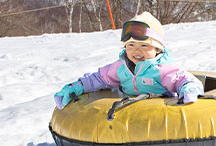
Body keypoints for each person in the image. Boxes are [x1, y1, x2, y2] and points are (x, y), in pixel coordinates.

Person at [53, 11, 203, 109]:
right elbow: (99, 79)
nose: (136, 51)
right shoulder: (121, 67)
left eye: (144, 45)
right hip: (129, 115)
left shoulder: (162, 69)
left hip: (160, 115)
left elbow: (183, 79)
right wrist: (76, 87)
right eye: (131, 45)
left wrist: (189, 89)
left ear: (157, 49)